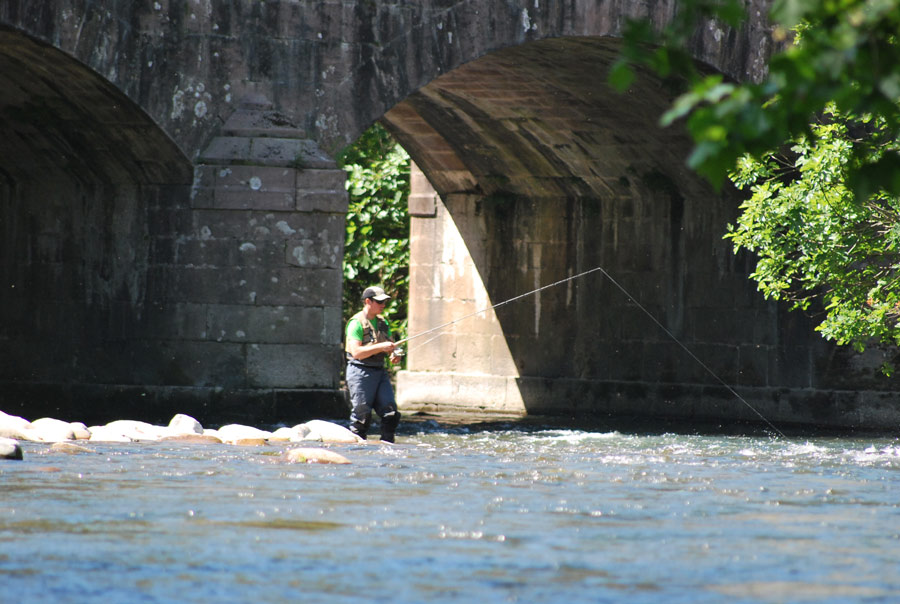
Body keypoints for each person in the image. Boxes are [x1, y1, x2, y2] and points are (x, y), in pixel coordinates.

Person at [344, 286, 402, 442]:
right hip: (360, 372)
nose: (383, 305)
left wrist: (395, 354)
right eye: (379, 302)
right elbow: (356, 352)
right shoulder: (356, 323)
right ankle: (358, 451)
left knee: (391, 413)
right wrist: (381, 347)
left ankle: (387, 448)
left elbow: (390, 345)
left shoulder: (383, 323)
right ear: (368, 301)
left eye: (385, 302)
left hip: (379, 372)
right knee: (362, 417)